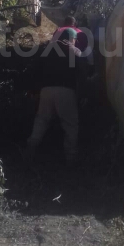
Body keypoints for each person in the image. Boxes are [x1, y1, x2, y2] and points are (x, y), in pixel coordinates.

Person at [26, 28, 83, 164]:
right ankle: (71, 156)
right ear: (71, 39)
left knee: (42, 120)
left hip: (46, 90)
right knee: (70, 124)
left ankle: (30, 150)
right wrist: (82, 93)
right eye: (75, 40)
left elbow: (35, 69)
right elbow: (81, 75)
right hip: (66, 91)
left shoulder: (47, 49)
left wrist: (34, 90)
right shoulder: (75, 52)